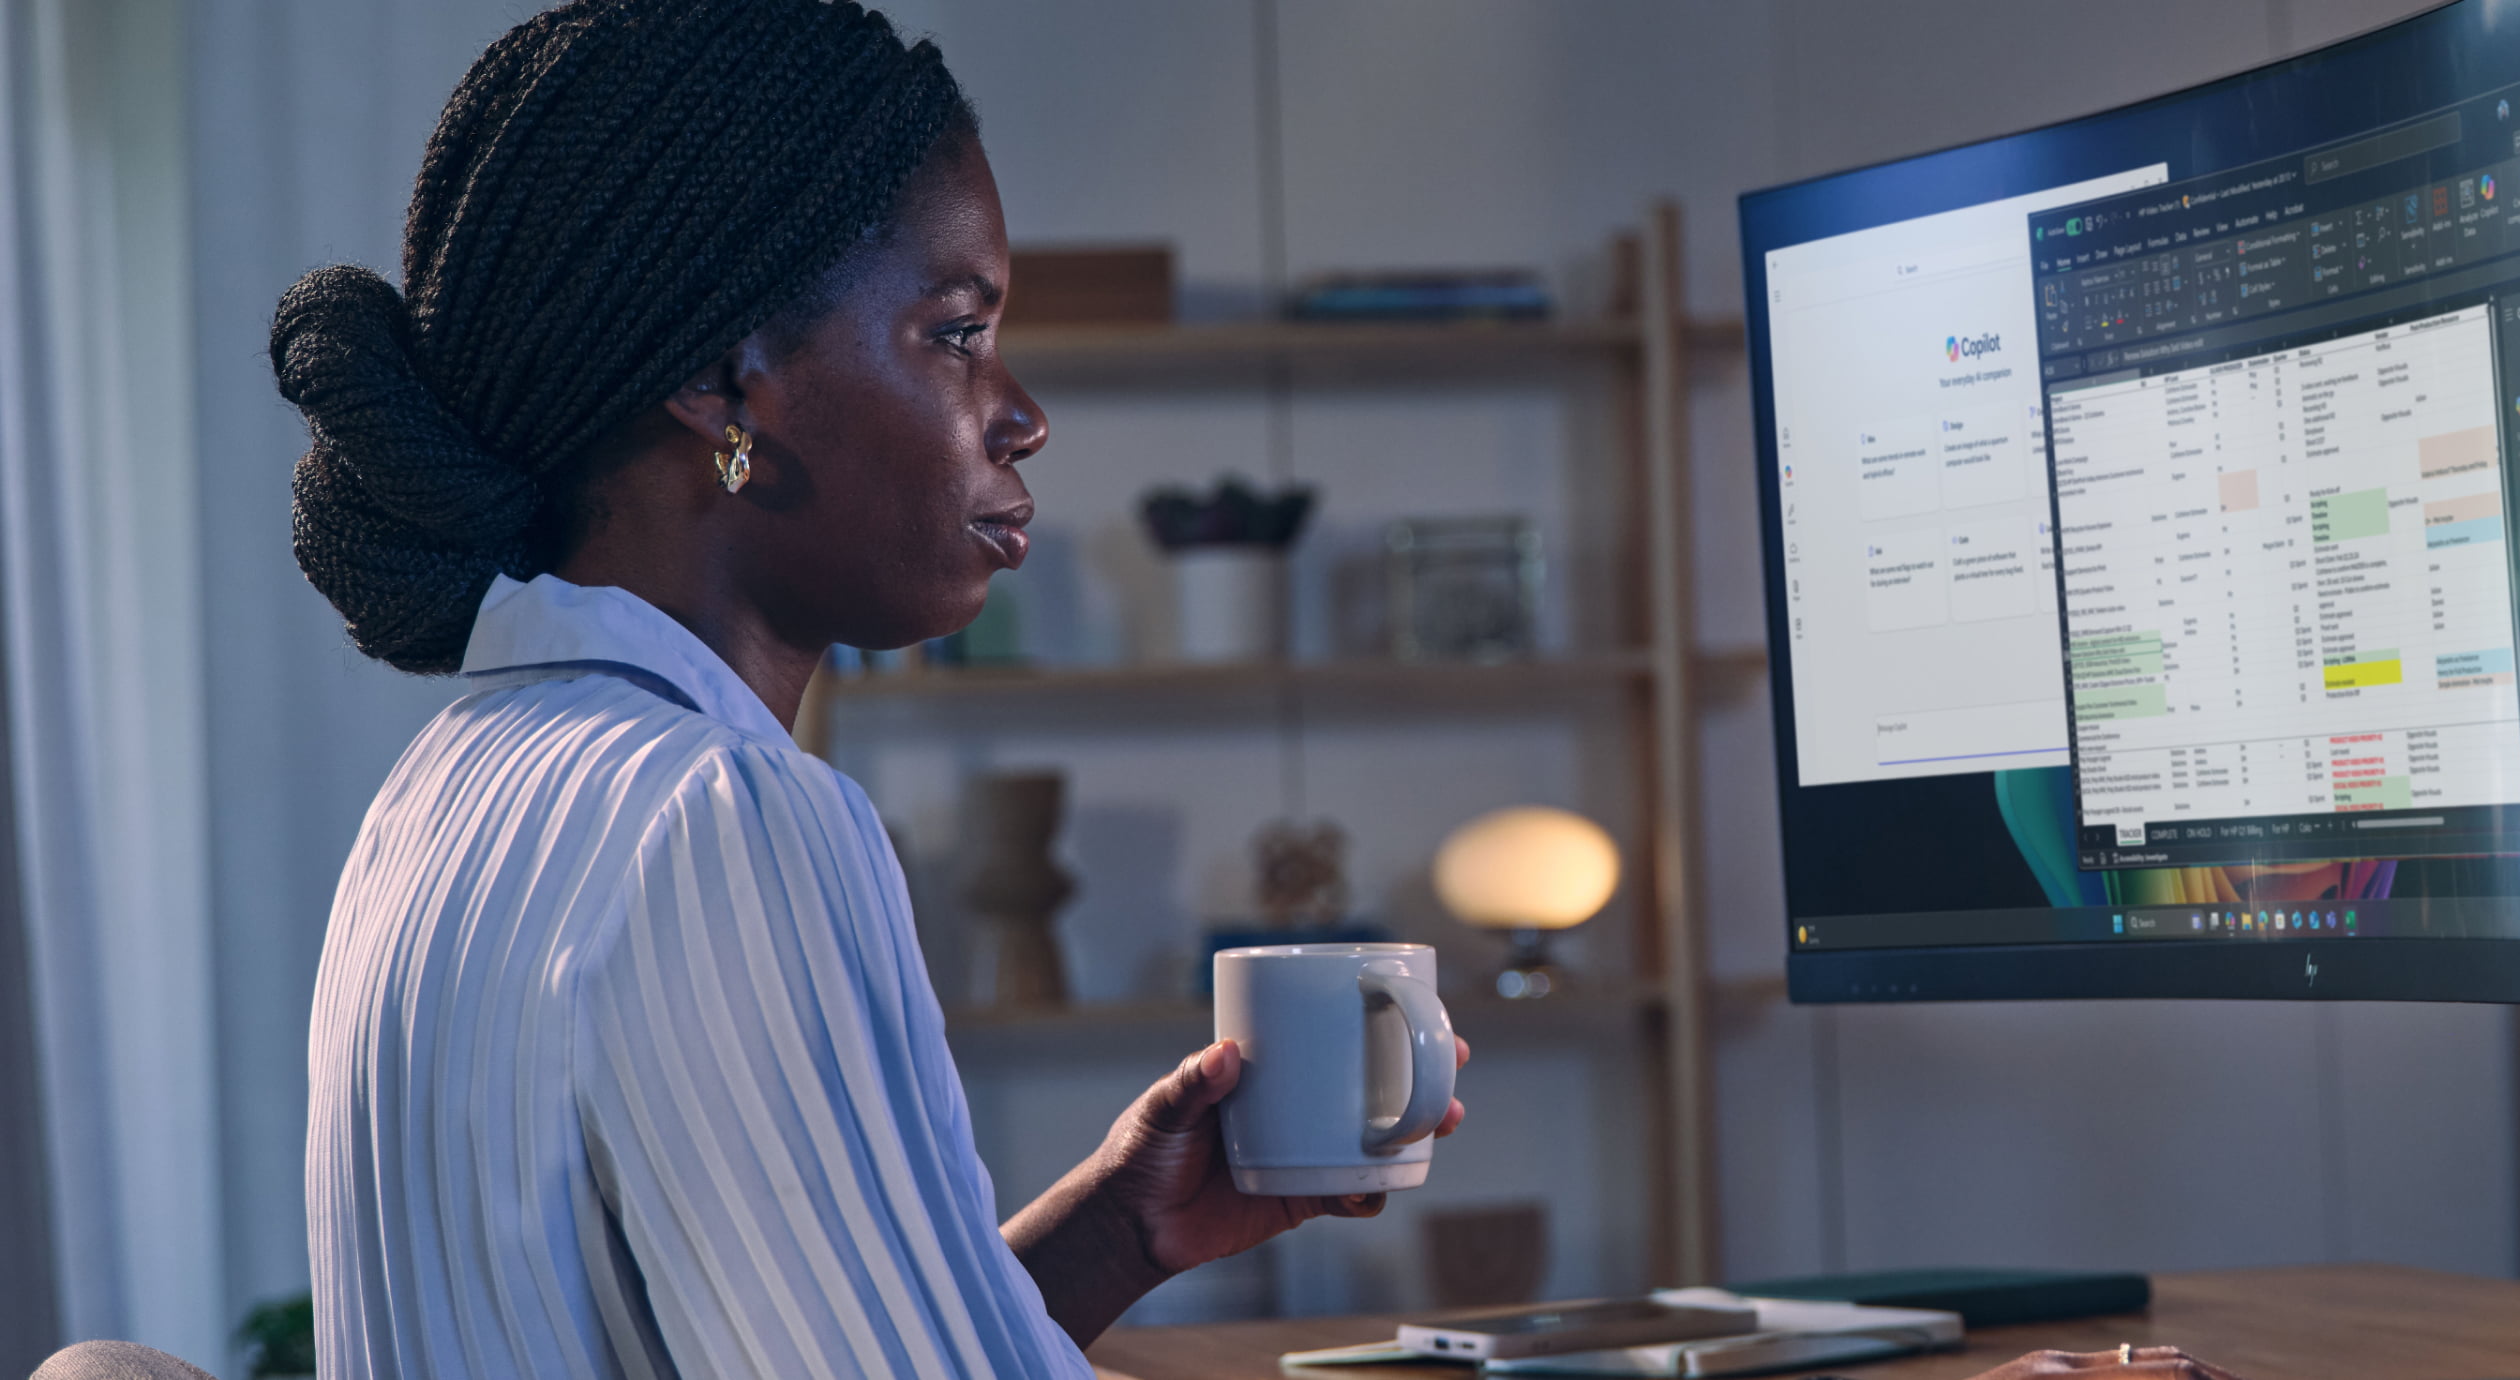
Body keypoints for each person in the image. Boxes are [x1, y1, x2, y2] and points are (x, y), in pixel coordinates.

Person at [274, 3, 2246, 1377]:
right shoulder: (723, 822)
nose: (1021, 413)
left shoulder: (455, 797)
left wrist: (1126, 1231)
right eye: (955, 335)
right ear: (722, 389)